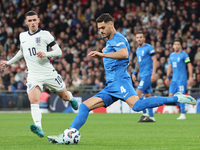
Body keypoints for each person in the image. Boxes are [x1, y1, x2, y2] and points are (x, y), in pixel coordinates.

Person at [47, 13, 196, 144]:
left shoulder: (117, 38)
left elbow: (124, 53)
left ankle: (175, 98)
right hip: (111, 86)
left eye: (103, 27)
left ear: (111, 25)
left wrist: (102, 54)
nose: (100, 31)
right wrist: (106, 51)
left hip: (120, 82)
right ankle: (68, 135)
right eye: (99, 28)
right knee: (84, 106)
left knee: (137, 106)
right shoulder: (111, 41)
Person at [0, 11, 78, 138]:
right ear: (26, 22)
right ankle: (39, 127)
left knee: (63, 96)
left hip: (48, 72)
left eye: (34, 20)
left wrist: (46, 54)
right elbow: (21, 52)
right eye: (29, 20)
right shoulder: (22, 36)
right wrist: (9, 62)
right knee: (33, 100)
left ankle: (71, 98)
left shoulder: (45, 34)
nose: (32, 23)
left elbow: (58, 51)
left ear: (38, 20)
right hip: (33, 74)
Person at [132, 32, 157, 122]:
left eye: (140, 37)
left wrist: (153, 73)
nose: (139, 39)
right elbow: (138, 63)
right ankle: (151, 117)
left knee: (137, 93)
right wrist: (134, 72)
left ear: (144, 38)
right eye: (137, 37)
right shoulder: (138, 50)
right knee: (148, 96)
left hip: (148, 75)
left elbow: (155, 60)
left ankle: (145, 113)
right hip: (142, 75)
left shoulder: (149, 47)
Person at [165, 39, 193, 120]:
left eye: (178, 44)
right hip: (174, 79)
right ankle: (183, 106)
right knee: (170, 96)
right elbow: (169, 67)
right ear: (173, 46)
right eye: (175, 44)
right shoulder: (171, 55)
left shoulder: (184, 55)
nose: (176, 46)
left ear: (180, 46)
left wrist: (190, 76)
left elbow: (189, 65)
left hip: (182, 79)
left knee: (181, 96)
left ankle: (183, 114)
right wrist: (167, 77)